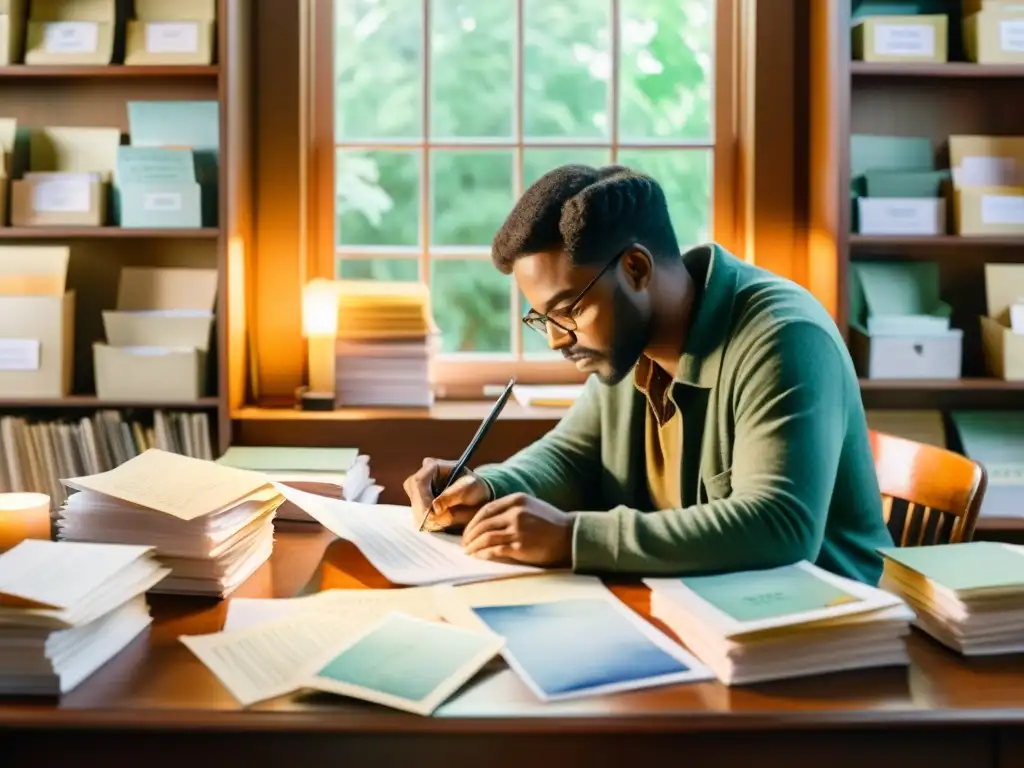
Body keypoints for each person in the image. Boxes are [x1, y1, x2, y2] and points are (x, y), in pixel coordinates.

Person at [403, 164, 892, 584]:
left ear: (636, 268)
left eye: (568, 310)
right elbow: (574, 456)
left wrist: (572, 536)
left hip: (821, 630)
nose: (556, 339)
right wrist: (489, 488)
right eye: (542, 320)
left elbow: (779, 527)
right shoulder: (634, 346)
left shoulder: (784, 338)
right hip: (703, 605)